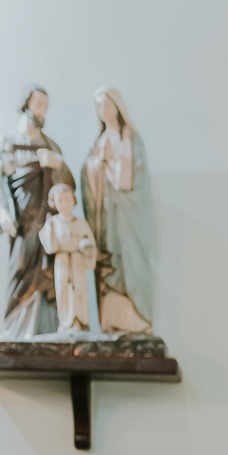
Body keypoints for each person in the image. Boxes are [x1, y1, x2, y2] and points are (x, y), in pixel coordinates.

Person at [0, 86, 75, 337]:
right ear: (25, 105)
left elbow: (66, 187)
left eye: (45, 106)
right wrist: (2, 211)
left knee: (48, 277)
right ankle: (15, 329)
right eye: (38, 105)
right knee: (20, 273)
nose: (42, 111)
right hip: (23, 224)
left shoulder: (51, 145)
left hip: (48, 222)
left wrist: (59, 164)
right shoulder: (6, 142)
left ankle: (46, 331)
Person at [81, 87, 155, 334]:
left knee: (131, 256)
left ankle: (137, 317)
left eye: (106, 104)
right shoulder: (98, 142)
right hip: (106, 214)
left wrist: (112, 165)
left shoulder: (131, 138)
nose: (102, 110)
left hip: (128, 214)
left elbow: (138, 180)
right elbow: (89, 175)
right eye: (98, 106)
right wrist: (95, 167)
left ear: (117, 106)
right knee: (109, 257)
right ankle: (110, 319)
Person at [38, 181, 97, 332]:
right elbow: (49, 246)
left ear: (73, 200)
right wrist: (49, 230)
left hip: (78, 262)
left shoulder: (81, 223)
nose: (64, 204)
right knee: (63, 291)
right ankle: (66, 323)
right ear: (54, 203)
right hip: (62, 263)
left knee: (80, 291)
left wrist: (87, 248)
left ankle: (81, 321)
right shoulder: (53, 223)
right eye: (60, 200)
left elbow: (91, 244)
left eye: (68, 199)